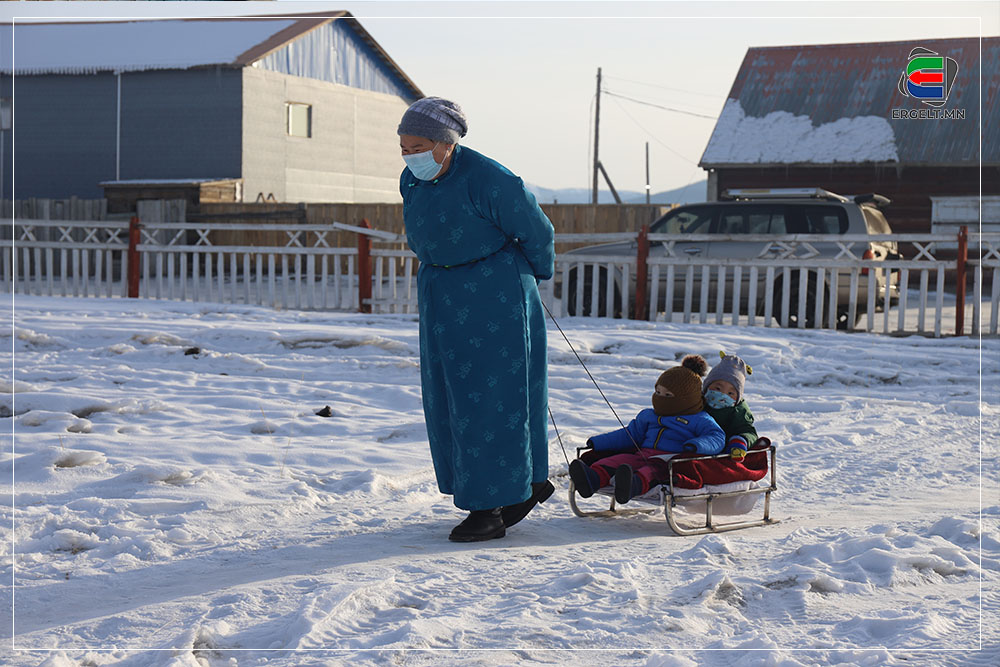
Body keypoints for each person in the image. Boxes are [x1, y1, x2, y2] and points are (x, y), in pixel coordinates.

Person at [397, 97, 556, 542]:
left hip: (494, 295)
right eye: (404, 148)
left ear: (446, 144)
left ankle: (489, 506)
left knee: (492, 398)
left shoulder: (490, 179)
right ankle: (522, 485)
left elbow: (538, 232)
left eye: (418, 147)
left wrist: (526, 280)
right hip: (441, 293)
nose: (410, 156)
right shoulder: (412, 180)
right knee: (448, 396)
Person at [568, 355, 725, 504]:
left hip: (670, 460)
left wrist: (696, 445)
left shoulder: (698, 418)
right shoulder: (649, 415)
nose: (660, 398)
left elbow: (716, 436)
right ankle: (592, 479)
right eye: (658, 392)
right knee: (616, 461)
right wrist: (598, 442)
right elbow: (630, 434)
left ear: (686, 398)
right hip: (642, 454)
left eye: (667, 395)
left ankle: (631, 486)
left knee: (650, 471)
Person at [702, 352, 757, 460]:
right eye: (718, 388)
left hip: (727, 451)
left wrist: (740, 441)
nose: (723, 394)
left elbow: (749, 431)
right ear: (706, 387)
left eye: (730, 393)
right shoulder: (698, 402)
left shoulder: (739, 411)